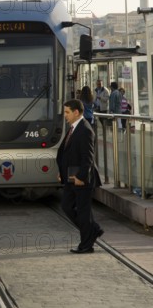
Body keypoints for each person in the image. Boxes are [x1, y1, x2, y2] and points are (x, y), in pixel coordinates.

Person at [56, 99, 103, 254]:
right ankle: (93, 229)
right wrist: (62, 173)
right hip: (71, 176)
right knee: (66, 206)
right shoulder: (73, 128)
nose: (65, 115)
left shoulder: (85, 130)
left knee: (83, 212)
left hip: (82, 178)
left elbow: (88, 157)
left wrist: (81, 177)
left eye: (67, 112)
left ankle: (86, 244)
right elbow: (67, 153)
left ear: (76, 112)